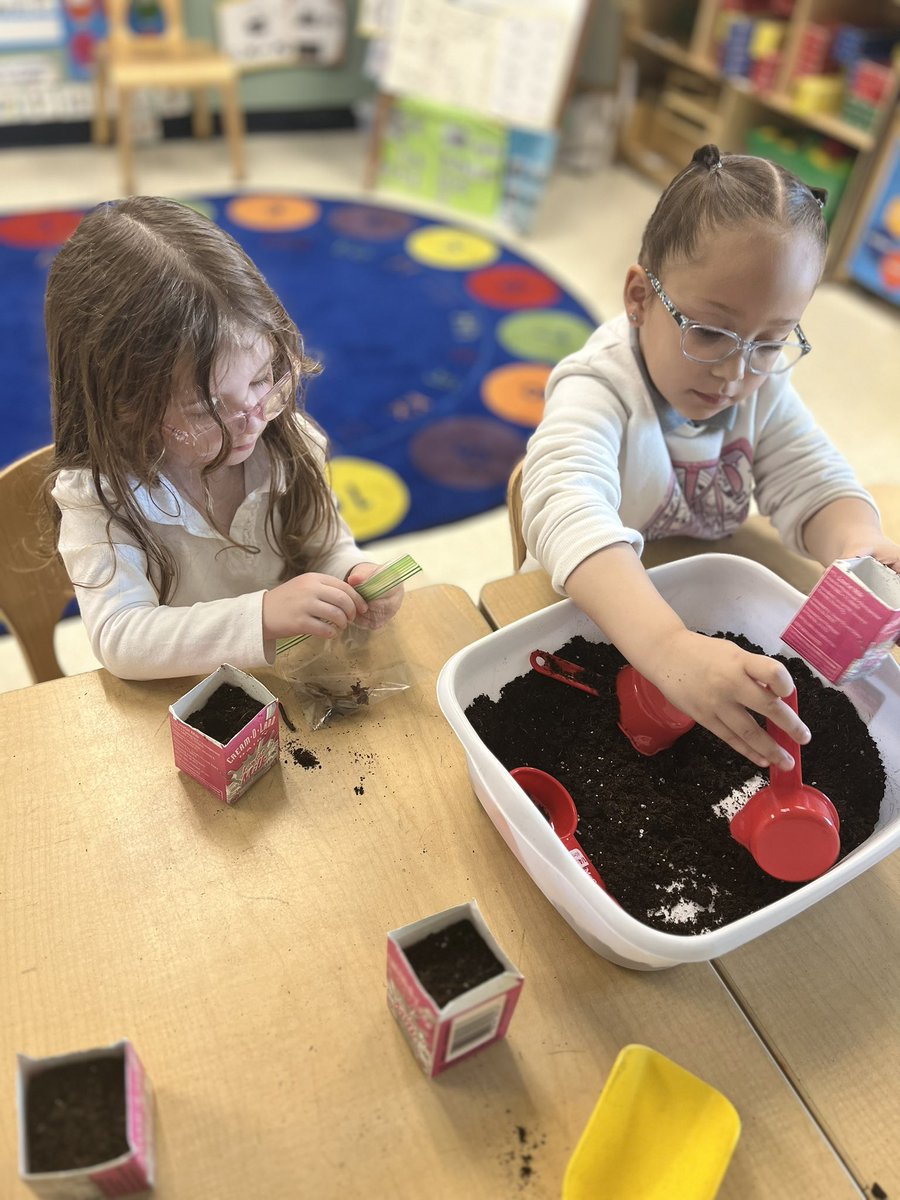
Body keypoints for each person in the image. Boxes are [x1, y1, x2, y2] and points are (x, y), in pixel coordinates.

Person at [521, 144, 900, 772]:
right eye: (708, 332)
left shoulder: (761, 385)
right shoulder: (598, 386)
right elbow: (564, 503)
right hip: (594, 613)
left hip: (702, 611)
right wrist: (667, 647)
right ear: (640, 298)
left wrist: (863, 547)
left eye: (771, 342)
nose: (734, 372)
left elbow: (812, 477)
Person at [45, 196, 404, 681]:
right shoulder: (102, 497)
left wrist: (353, 575)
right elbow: (122, 639)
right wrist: (261, 615)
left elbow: (326, 545)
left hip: (287, 683)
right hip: (179, 703)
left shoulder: (288, 444)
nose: (252, 421)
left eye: (262, 381)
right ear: (123, 405)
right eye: (204, 409)